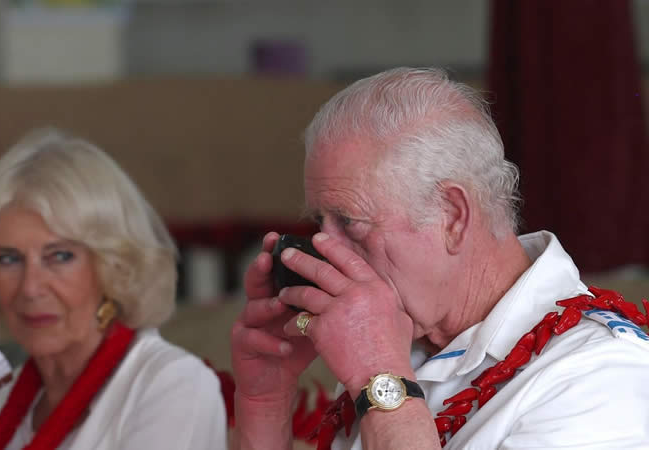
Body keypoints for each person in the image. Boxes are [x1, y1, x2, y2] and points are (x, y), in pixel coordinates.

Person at [230, 67, 649, 449]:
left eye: (349, 221)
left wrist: (381, 381)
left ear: (453, 216)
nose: (327, 248)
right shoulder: (404, 341)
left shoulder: (602, 375)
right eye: (319, 222)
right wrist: (266, 400)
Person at [0, 129, 227, 450]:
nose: (30, 288)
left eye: (60, 256)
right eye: (8, 258)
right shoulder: (2, 400)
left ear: (114, 265)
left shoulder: (171, 385)